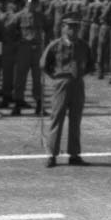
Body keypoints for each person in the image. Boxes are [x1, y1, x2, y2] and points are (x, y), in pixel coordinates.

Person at [40, 14, 93, 168]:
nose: (73, 30)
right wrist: (56, 77)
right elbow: (43, 64)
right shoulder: (55, 45)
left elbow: (90, 64)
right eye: (70, 27)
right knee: (57, 118)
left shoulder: (83, 45)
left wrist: (79, 75)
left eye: (76, 27)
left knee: (76, 120)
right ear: (63, 28)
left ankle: (74, 155)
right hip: (61, 84)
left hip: (77, 84)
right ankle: (51, 155)